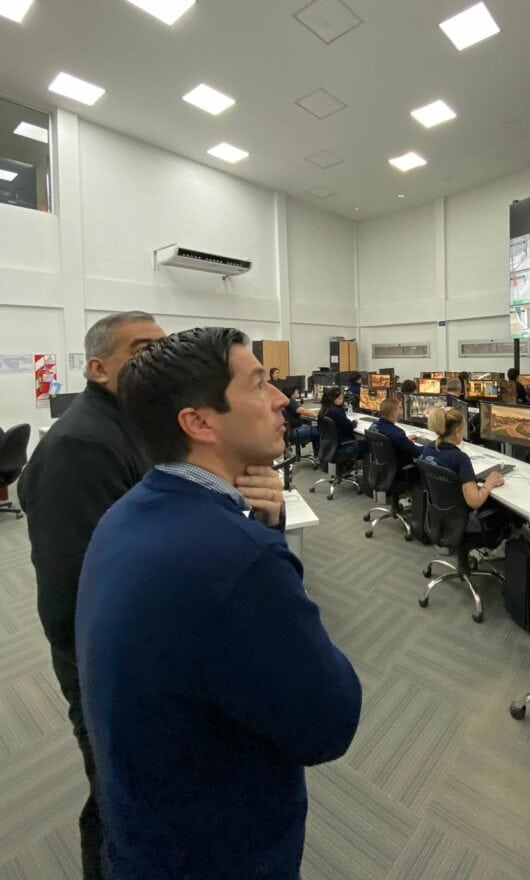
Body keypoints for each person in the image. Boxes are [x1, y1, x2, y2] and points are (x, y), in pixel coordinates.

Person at [75, 328, 362, 880]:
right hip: (216, 852)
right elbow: (330, 725)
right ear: (200, 423)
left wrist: (263, 525)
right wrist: (264, 548)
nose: (281, 398)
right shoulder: (236, 558)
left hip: (143, 833)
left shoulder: (128, 510)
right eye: (257, 384)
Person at [18, 310, 167, 880]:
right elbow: (73, 592)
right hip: (109, 667)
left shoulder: (132, 424)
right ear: (100, 369)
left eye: (165, 348)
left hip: (135, 653)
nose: (160, 360)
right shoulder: (80, 446)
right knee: (117, 801)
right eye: (143, 350)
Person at [420, 406, 505, 529]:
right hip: (461, 521)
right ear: (457, 431)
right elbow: (474, 501)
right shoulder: (460, 458)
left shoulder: (428, 449)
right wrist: (489, 484)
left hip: (438, 515)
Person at [372, 396, 423, 481]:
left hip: (383, 467)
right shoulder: (397, 433)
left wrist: (405, 439)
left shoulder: (374, 425)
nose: (399, 412)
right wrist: (432, 446)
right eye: (399, 409)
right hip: (400, 470)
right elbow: (416, 452)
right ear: (392, 413)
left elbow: (391, 440)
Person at [320, 386, 368, 461]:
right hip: (341, 444)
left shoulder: (324, 409)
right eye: (339, 398)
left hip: (330, 445)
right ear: (332, 399)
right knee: (368, 444)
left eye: (342, 398)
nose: (342, 400)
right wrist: (354, 422)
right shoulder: (336, 411)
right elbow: (349, 427)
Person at [282, 383, 320, 456]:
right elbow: (302, 411)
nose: (298, 392)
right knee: (319, 432)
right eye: (296, 390)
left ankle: (317, 455)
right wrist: (317, 415)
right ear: (292, 392)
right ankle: (318, 456)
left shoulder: (286, 400)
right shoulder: (290, 401)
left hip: (289, 432)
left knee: (314, 429)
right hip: (294, 432)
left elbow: (303, 410)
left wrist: (318, 410)